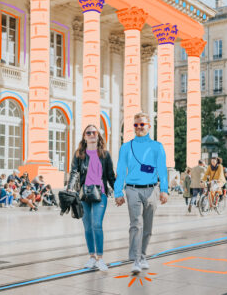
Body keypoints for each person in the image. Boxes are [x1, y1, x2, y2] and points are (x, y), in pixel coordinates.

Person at [114, 112, 168, 274]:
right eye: (136, 125)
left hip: (152, 189)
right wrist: (118, 192)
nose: (138, 127)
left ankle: (143, 256)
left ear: (149, 126)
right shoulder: (126, 147)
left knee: (148, 228)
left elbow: (163, 170)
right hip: (132, 190)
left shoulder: (157, 147)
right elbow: (121, 170)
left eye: (142, 124)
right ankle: (136, 259)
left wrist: (164, 190)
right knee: (136, 225)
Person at [68, 124, 116, 272]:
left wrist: (119, 193)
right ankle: (91, 257)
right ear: (84, 136)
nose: (91, 135)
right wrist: (70, 188)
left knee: (96, 224)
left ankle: (100, 258)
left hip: (100, 193)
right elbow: (74, 173)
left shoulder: (105, 155)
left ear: (98, 135)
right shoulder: (79, 154)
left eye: (94, 132)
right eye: (88, 133)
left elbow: (110, 176)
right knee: (87, 227)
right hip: (83, 195)